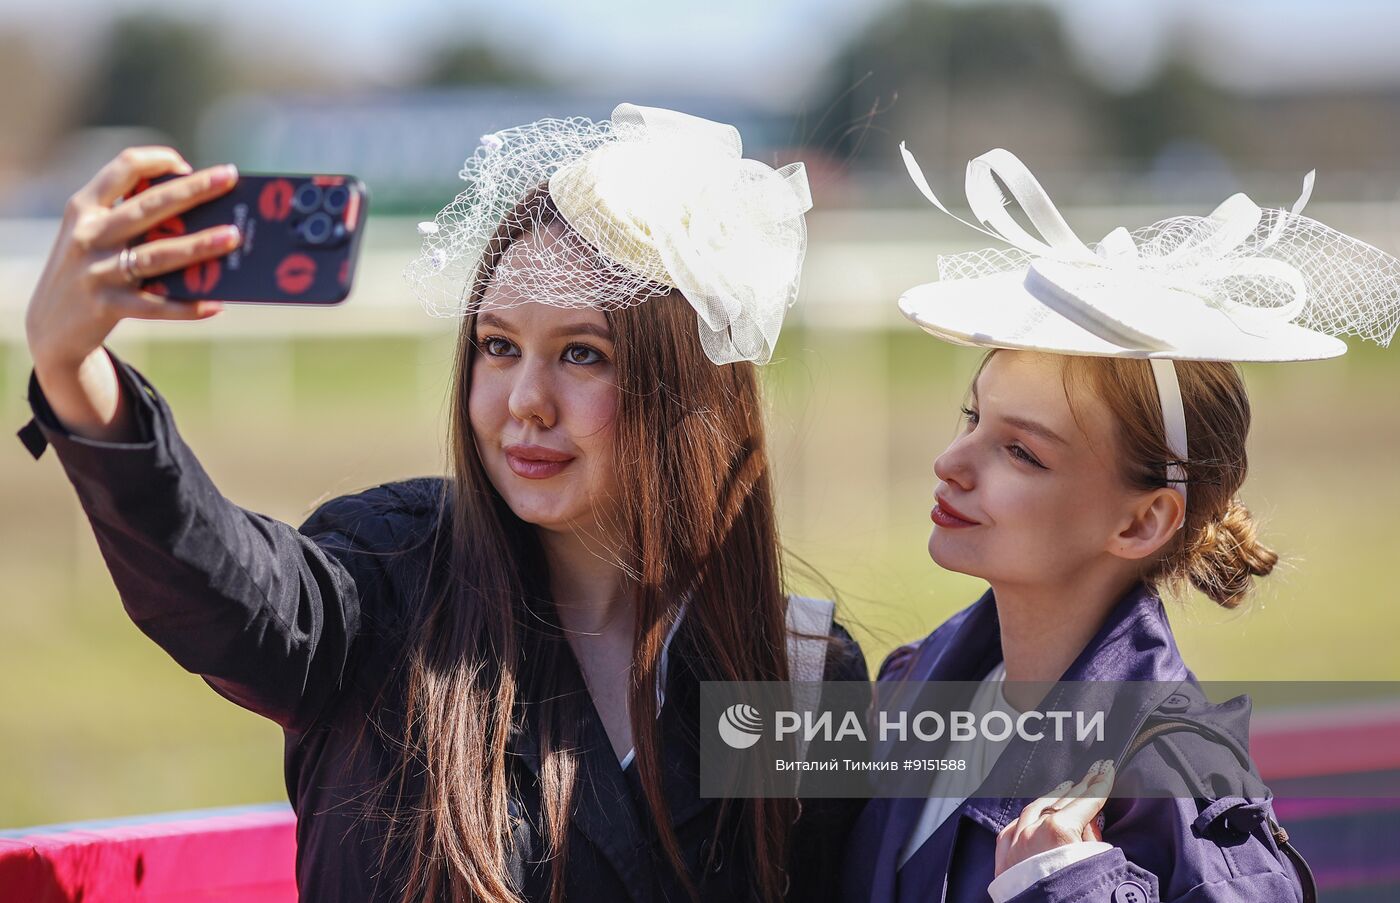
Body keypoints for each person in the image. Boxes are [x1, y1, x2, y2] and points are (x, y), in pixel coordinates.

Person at [18, 104, 868, 902]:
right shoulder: (387, 577)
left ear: (687, 390)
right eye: (498, 346)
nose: (523, 400)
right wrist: (76, 377)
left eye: (582, 353)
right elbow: (219, 588)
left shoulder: (794, 671)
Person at [841, 145, 1398, 902]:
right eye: (972, 415)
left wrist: (1067, 886)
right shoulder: (908, 686)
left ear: (1142, 522)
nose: (951, 461)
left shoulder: (1192, 795)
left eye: (1020, 450)